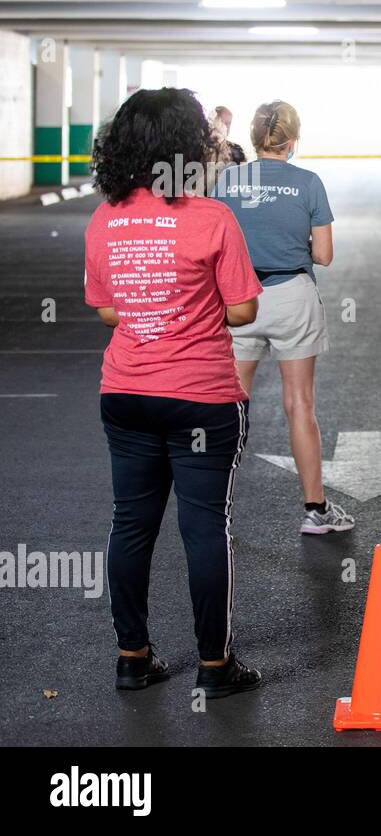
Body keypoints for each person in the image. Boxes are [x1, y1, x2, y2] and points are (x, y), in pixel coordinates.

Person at [85, 87, 264, 698]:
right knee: (205, 527)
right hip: (200, 397)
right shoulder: (212, 218)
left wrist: (151, 305)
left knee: (130, 524)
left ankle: (132, 658)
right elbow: (240, 310)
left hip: (126, 391)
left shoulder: (105, 217)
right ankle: (215, 667)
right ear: (187, 147)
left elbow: (108, 311)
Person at [214, 100, 351, 535]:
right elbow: (325, 256)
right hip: (291, 296)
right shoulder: (308, 182)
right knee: (299, 405)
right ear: (292, 142)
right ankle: (316, 510)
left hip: (239, 298)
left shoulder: (226, 181)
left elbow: (214, 249)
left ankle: (216, 509)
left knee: (231, 406)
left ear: (254, 140)